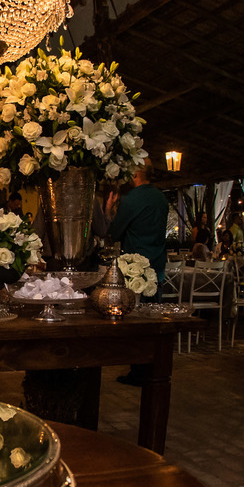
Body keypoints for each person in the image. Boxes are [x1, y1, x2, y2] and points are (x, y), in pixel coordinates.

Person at [105, 160, 168, 387]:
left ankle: (138, 369)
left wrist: (109, 212)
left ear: (135, 174)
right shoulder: (161, 198)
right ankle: (153, 368)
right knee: (153, 319)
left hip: (135, 267)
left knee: (135, 321)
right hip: (158, 265)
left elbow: (114, 232)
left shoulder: (131, 200)